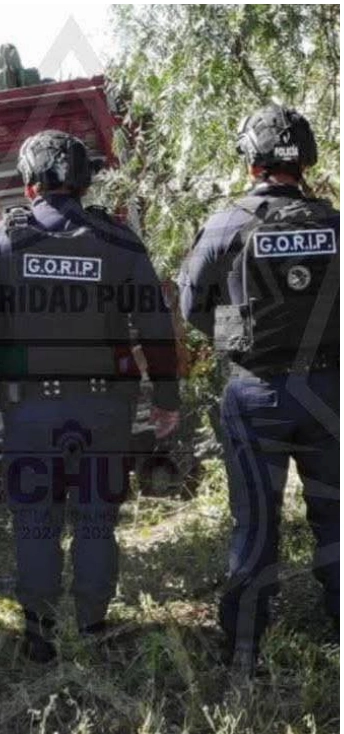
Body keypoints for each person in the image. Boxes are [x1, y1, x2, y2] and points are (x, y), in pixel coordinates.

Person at [0, 130, 181, 662]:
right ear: (83, 180)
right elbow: (155, 325)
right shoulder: (119, 239)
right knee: (96, 520)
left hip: (31, 415)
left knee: (36, 522)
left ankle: (40, 635)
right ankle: (94, 626)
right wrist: (167, 397)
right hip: (105, 411)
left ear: (30, 182)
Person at [178, 105, 339, 674]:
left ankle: (245, 648)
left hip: (257, 393)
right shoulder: (334, 223)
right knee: (335, 513)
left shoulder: (228, 224)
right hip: (328, 392)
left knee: (256, 521)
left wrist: (239, 336)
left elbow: (192, 304)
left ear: (252, 161)